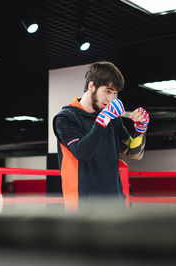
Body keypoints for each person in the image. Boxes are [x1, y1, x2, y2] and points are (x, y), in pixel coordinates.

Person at [52, 61, 150, 210]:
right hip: (82, 206)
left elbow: (134, 154)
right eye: (108, 91)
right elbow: (82, 153)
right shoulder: (65, 118)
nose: (111, 98)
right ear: (91, 86)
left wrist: (140, 130)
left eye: (114, 93)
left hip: (115, 202)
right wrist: (102, 120)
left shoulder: (112, 118)